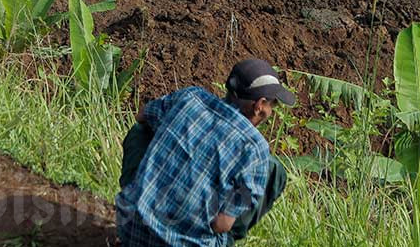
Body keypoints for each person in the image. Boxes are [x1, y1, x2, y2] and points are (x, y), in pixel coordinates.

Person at [116, 59, 295, 246]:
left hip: (131, 229)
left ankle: (136, 195)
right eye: (272, 105)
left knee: (141, 130)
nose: (270, 112)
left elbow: (142, 115)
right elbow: (222, 224)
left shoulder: (190, 97)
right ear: (259, 105)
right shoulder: (255, 149)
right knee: (274, 170)